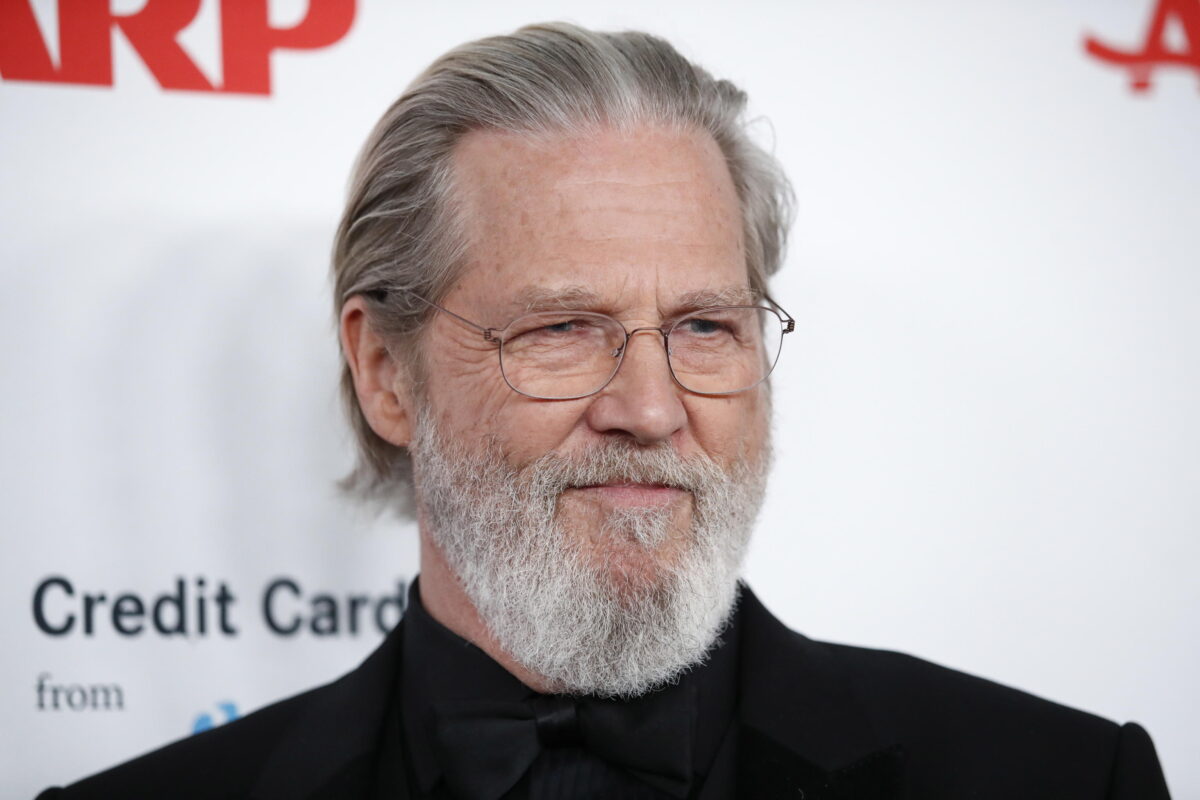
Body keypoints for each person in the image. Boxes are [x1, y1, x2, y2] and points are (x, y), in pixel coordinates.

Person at [38, 22, 1171, 800]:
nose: (651, 407)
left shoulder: (1063, 779)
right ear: (385, 372)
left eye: (705, 327)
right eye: (562, 328)